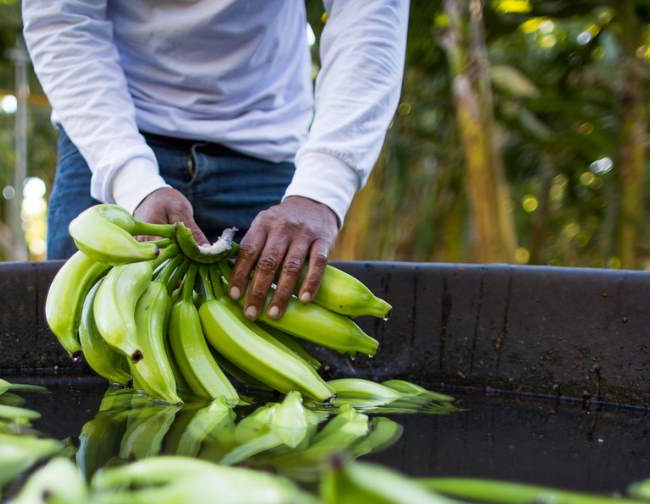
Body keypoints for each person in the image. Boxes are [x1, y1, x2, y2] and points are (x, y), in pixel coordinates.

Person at [23, 0, 408, 320]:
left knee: (274, 345)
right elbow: (63, 18)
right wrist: (132, 180)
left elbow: (369, 14)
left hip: (264, 144)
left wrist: (322, 189)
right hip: (110, 134)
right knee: (80, 339)